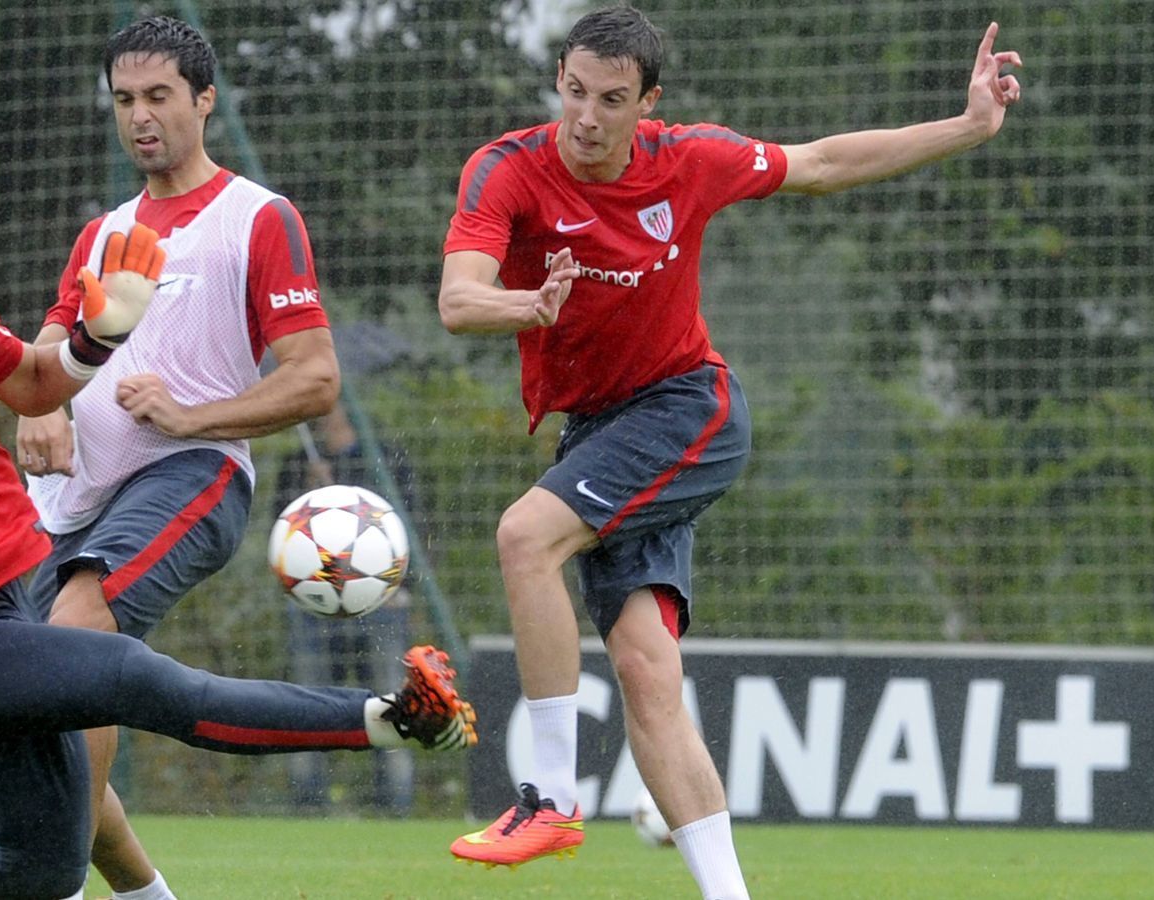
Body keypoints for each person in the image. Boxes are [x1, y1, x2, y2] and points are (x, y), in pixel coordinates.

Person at [0, 131, 475, 900]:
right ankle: (393, 717)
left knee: (42, 865)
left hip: (8, 605)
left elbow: (35, 386)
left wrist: (97, 338)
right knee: (143, 683)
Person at [437, 6, 1020, 897]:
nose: (588, 117)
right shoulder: (508, 169)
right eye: (576, 92)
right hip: (599, 429)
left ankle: (548, 795)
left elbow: (822, 164)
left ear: (649, 102)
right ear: (561, 79)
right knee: (644, 668)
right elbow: (457, 299)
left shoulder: (690, 160)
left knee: (525, 537)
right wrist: (528, 308)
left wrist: (970, 125)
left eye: (613, 100)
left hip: (688, 408)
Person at [13, 16, 343, 898]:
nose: (140, 117)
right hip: (71, 505)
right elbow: (50, 351)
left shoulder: (258, 217)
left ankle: (58, 888)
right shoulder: (103, 233)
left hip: (191, 478)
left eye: (159, 96)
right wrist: (35, 409)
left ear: (204, 100)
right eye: (124, 100)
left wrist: (194, 416)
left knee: (73, 639)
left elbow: (314, 380)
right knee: (26, 709)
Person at [275, 402, 419, 815]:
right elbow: (280, 531)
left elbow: (410, 524)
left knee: (389, 700)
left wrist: (401, 586)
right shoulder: (299, 462)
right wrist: (308, 491)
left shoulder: (384, 458)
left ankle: (394, 805)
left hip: (382, 604)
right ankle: (308, 803)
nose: (323, 414)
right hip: (314, 606)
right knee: (307, 701)